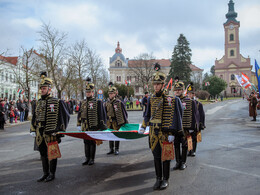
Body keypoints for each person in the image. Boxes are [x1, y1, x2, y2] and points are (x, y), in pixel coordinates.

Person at [139, 63, 183, 190]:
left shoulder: (171, 99)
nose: (156, 86)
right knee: (156, 156)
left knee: (166, 157)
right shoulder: (151, 99)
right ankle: (158, 178)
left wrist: (172, 133)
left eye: (158, 84)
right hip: (153, 132)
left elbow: (175, 117)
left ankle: (165, 179)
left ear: (163, 85)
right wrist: (143, 126)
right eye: (154, 84)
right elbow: (147, 115)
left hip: (165, 133)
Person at [30, 72, 70, 182]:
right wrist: (33, 129)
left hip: (51, 132)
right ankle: (45, 173)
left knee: (52, 153)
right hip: (40, 132)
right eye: (41, 88)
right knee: (43, 153)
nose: (42, 90)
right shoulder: (38, 102)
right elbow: (35, 117)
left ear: (49, 89)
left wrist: (59, 130)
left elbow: (65, 116)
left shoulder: (57, 101)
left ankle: (52, 174)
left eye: (44, 88)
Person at [77, 77, 107, 166]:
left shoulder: (98, 102)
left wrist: (102, 126)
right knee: (85, 142)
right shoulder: (83, 102)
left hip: (93, 125)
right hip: (85, 125)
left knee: (92, 142)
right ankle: (87, 158)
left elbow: (101, 115)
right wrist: (78, 124)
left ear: (93, 92)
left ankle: (92, 159)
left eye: (89, 92)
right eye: (87, 92)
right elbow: (80, 114)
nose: (88, 93)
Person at [172, 78, 199, 170]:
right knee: (176, 145)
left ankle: (183, 162)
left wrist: (192, 127)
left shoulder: (189, 101)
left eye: (179, 90)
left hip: (185, 127)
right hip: (175, 128)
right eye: (176, 90)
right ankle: (177, 162)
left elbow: (194, 115)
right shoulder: (171, 101)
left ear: (183, 90)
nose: (177, 91)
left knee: (184, 145)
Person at [105, 82, 128, 155]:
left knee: (116, 135)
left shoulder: (118, 102)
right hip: (109, 121)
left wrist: (125, 122)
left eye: (112, 93)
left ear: (115, 94)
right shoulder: (106, 103)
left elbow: (124, 113)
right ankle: (111, 149)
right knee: (110, 135)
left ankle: (116, 149)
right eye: (109, 94)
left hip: (116, 121)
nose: (110, 95)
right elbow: (105, 112)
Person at [187, 83, 205, 157]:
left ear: (194, 95)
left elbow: (202, 114)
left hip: (195, 124)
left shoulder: (198, 104)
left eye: (191, 94)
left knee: (194, 138)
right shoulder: (186, 103)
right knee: (188, 138)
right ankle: (189, 150)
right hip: (188, 123)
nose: (189, 95)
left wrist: (202, 124)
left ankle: (193, 150)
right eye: (188, 94)